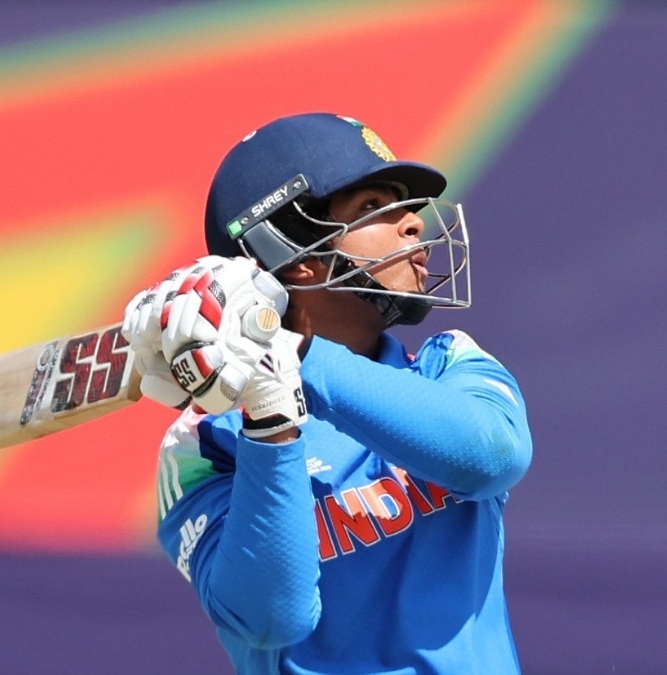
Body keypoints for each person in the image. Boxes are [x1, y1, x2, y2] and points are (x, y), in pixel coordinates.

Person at [121, 112, 533, 674]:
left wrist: (298, 356)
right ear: (299, 255)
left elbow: (491, 457)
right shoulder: (206, 444)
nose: (414, 223)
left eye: (405, 207)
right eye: (373, 207)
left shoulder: (450, 364)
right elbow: (273, 618)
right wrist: (270, 419)